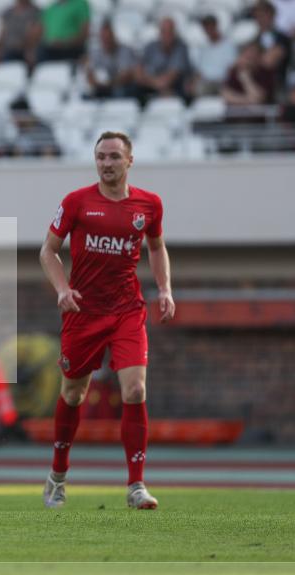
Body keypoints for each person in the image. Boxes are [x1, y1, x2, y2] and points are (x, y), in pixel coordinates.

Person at [39, 131, 175, 510]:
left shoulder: (149, 204)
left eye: (114, 156)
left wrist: (164, 289)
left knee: (134, 391)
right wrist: (63, 289)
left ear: (129, 161)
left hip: (127, 310)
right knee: (73, 394)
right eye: (101, 156)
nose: (107, 163)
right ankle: (58, 476)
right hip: (82, 313)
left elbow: (157, 246)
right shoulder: (77, 202)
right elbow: (48, 252)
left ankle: (136, 486)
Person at [133, 17, 191, 104]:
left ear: (174, 33)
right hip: (154, 88)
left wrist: (148, 79)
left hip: (174, 88)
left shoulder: (181, 48)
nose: (167, 35)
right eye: (164, 31)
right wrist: (155, 83)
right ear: (160, 32)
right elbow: (138, 73)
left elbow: (168, 79)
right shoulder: (150, 47)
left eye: (170, 32)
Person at [85, 19, 137, 99]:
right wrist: (97, 82)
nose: (106, 41)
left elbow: (126, 76)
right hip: (103, 87)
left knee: (121, 92)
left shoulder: (125, 51)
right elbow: (89, 73)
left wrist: (108, 83)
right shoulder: (95, 53)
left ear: (113, 37)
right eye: (103, 38)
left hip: (122, 87)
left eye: (108, 37)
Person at [191, 15, 237, 97]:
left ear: (216, 26)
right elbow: (200, 71)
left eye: (211, 27)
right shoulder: (203, 47)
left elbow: (231, 68)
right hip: (206, 82)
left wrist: (226, 82)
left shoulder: (229, 45)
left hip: (222, 82)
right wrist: (194, 82)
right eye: (206, 27)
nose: (209, 30)